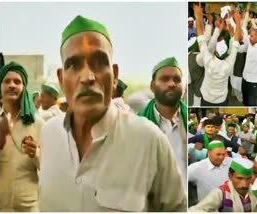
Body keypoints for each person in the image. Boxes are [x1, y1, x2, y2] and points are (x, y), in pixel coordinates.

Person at [39, 15, 186, 212]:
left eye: (99, 62)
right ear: (61, 78)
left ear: (115, 75)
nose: (87, 77)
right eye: (74, 65)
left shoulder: (149, 140)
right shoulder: (48, 135)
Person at [0, 62, 44, 211]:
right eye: (7, 81)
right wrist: (0, 140)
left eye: (17, 82)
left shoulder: (38, 123)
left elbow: (48, 167)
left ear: (24, 88)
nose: (11, 85)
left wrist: (35, 154)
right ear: (0, 87)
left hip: (28, 206)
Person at [139, 56, 187, 191]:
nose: (171, 84)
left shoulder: (188, 119)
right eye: (165, 79)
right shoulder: (138, 125)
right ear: (152, 86)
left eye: (177, 79)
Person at [194, 4, 242, 106]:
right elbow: (236, 42)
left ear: (215, 52)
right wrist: (237, 21)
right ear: (226, 54)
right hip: (222, 100)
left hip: (206, 98)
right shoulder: (229, 63)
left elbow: (201, 38)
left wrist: (198, 17)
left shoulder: (208, 60)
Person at [189, 157, 257, 212]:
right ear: (230, 176)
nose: (244, 185)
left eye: (248, 179)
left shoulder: (255, 190)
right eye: (239, 178)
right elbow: (194, 210)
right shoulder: (221, 193)